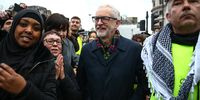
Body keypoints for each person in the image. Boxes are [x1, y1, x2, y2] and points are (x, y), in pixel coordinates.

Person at [77, 4, 148, 100]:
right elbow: (81, 83)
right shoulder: (87, 50)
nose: (99, 23)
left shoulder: (134, 49)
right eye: (96, 19)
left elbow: (143, 83)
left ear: (117, 23)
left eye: (104, 19)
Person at [141, 0, 200, 99]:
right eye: (178, 3)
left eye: (193, 1)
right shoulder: (149, 50)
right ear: (168, 16)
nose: (186, 6)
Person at [0, 9, 56, 100]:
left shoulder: (45, 59)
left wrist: (24, 89)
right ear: (14, 26)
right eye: (23, 24)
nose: (29, 30)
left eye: (36, 28)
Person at [44, 13, 81, 100]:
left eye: (64, 30)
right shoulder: (36, 56)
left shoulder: (69, 44)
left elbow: (75, 59)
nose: (61, 34)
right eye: (57, 29)